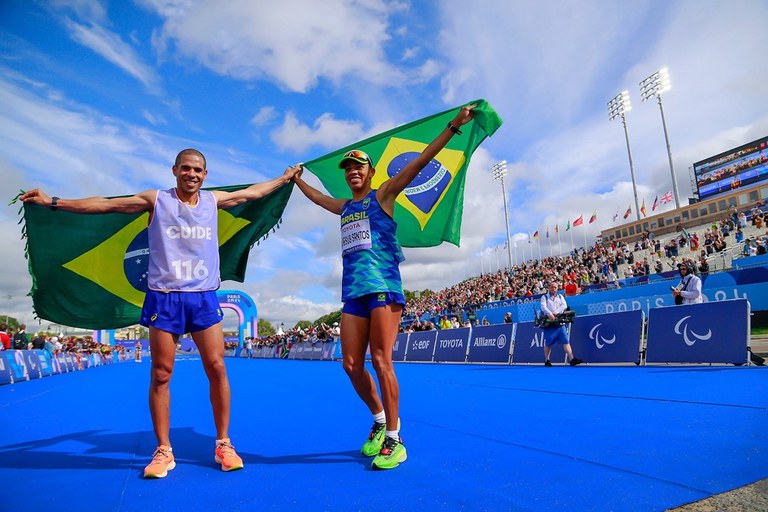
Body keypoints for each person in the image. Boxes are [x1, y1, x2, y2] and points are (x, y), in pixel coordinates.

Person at [21, 148, 297, 478]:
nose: (192, 174)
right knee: (162, 373)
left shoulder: (212, 201)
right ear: (175, 170)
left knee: (217, 366)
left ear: (205, 175)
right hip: (164, 299)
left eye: (198, 170)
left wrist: (284, 179)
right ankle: (164, 449)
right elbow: (105, 205)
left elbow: (250, 193)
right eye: (186, 168)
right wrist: (53, 202)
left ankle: (223, 443)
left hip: (203, 298)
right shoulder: (157, 200)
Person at [290, 105, 476, 470]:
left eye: (359, 166)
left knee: (381, 360)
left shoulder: (384, 195)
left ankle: (395, 437)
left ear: (371, 172)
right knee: (349, 365)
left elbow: (419, 163)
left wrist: (453, 127)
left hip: (383, 289)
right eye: (348, 169)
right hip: (353, 294)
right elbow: (318, 199)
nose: (353, 172)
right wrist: (296, 181)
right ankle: (378, 420)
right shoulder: (344, 207)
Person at [539, 281, 582, 367]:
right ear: (549, 288)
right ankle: (547, 360)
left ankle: (572, 359)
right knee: (549, 343)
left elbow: (564, 306)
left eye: (555, 287)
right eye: (552, 287)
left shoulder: (560, 296)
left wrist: (556, 312)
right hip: (549, 323)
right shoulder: (544, 297)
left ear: (557, 288)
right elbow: (543, 307)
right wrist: (550, 314)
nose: (553, 289)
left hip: (559, 321)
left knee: (565, 341)